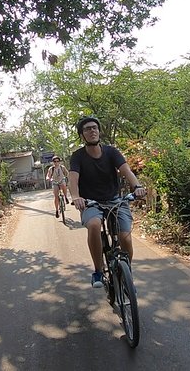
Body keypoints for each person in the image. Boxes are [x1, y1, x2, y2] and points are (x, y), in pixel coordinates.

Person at [68, 116, 146, 288]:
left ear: (99, 131)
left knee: (125, 237)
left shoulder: (112, 152)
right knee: (94, 226)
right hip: (90, 202)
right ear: (82, 135)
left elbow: (126, 171)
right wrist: (75, 197)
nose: (92, 131)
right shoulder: (78, 156)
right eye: (87, 129)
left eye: (94, 128)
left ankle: (126, 273)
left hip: (115, 200)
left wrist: (137, 186)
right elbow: (73, 179)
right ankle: (98, 270)